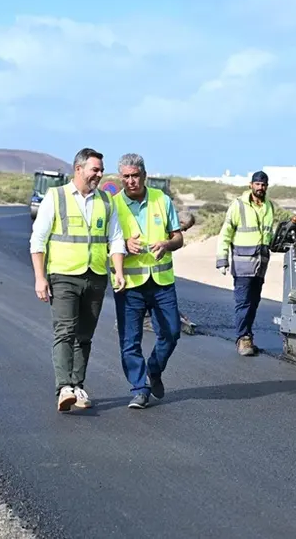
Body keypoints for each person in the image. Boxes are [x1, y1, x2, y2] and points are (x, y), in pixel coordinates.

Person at [30, 147, 126, 412]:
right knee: (65, 331)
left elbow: (116, 239)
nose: (100, 174)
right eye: (95, 169)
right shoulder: (56, 197)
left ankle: (77, 385)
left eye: (101, 170)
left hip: (95, 277)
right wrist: (40, 278)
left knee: (85, 335)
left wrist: (118, 271)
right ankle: (64, 388)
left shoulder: (106, 201)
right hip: (63, 276)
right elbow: (38, 240)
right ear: (79, 169)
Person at [112, 153, 184, 409]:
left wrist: (166, 244)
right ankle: (140, 389)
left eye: (135, 176)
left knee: (172, 333)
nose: (131, 181)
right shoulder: (113, 205)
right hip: (129, 285)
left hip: (161, 282)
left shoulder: (161, 200)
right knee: (130, 341)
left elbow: (178, 238)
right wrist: (123, 244)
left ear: (144, 175)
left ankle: (154, 368)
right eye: (126, 177)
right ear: (120, 178)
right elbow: (104, 243)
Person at [216, 170, 275, 357]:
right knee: (243, 302)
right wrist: (222, 259)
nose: (260, 187)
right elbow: (225, 233)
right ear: (251, 185)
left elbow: (268, 234)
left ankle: (248, 336)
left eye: (263, 185)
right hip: (242, 264)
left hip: (260, 265)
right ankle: (242, 338)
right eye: (257, 184)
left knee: (254, 303)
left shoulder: (269, 206)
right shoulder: (238, 205)